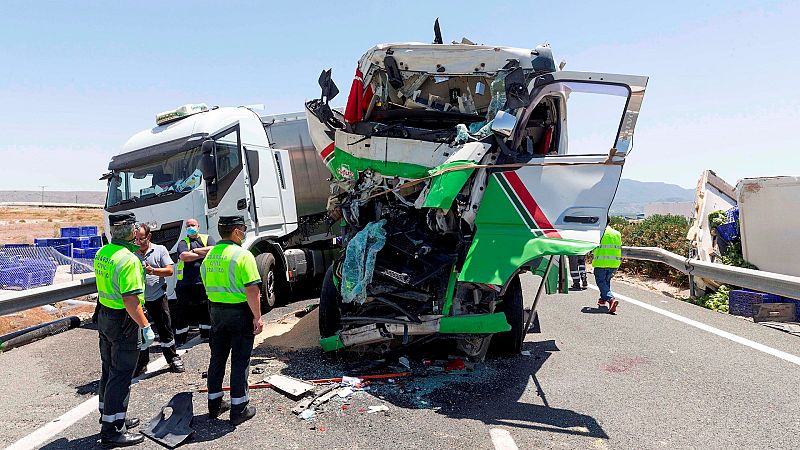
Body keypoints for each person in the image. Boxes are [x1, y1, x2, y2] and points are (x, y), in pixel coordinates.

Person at [94, 212, 153, 447]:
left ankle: (111, 415)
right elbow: (131, 300)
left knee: (108, 369)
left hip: (105, 315)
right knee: (121, 374)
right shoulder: (128, 259)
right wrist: (145, 326)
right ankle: (112, 431)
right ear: (131, 231)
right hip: (123, 321)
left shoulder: (103, 252)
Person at [201, 216, 263, 425]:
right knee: (240, 360)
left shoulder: (210, 256)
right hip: (239, 313)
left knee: (217, 358)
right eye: (243, 229)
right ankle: (239, 409)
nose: (244, 233)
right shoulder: (242, 255)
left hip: (216, 312)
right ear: (236, 231)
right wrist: (257, 317)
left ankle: (214, 404)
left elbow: (206, 282)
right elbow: (252, 289)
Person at [133, 223, 184, 376]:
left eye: (141, 239)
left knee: (165, 329)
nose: (138, 242)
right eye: (136, 239)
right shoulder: (132, 254)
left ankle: (172, 358)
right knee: (141, 333)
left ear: (148, 236)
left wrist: (153, 271)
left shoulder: (160, 250)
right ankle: (141, 363)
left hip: (157, 298)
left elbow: (170, 270)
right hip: (140, 301)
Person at [174, 218, 216, 345]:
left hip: (203, 282)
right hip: (185, 284)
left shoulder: (207, 238)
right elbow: (184, 256)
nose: (190, 227)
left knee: (205, 310)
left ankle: (206, 335)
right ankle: (180, 339)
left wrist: (194, 251)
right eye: (188, 226)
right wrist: (203, 253)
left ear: (198, 226)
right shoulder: (183, 242)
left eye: (193, 225)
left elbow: (213, 249)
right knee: (182, 312)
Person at [592, 218, 622, 314]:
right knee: (606, 281)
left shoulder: (598, 233)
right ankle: (602, 300)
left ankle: (611, 299)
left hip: (601, 262)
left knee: (601, 282)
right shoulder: (617, 233)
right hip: (614, 263)